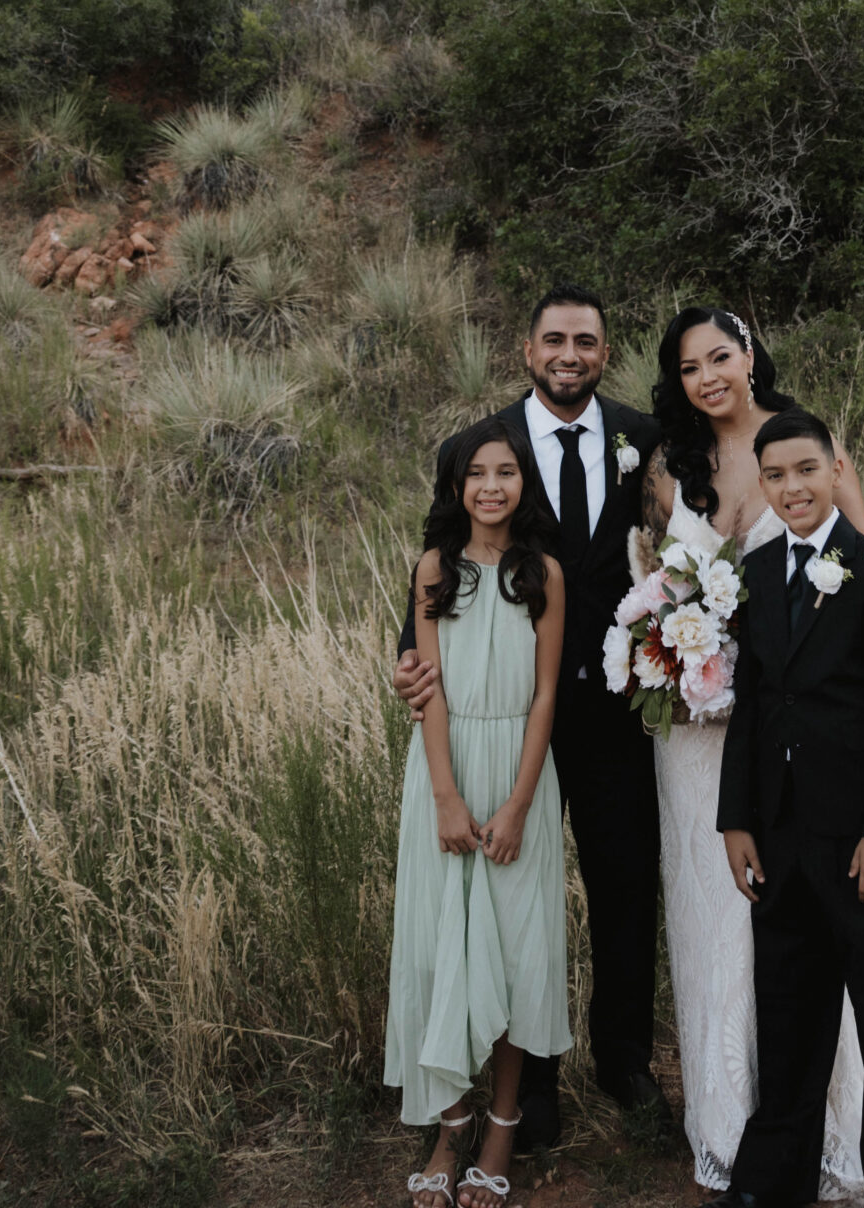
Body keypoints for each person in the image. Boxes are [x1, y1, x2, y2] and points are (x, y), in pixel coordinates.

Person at [638, 308, 864, 1199]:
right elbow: (655, 584)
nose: (707, 375)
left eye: (720, 354)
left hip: (815, 762)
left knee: (817, 939)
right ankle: (734, 1127)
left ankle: (844, 1131)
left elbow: (861, 573)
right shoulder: (664, 468)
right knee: (722, 929)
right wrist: (669, 655)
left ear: (749, 354)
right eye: (688, 366)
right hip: (701, 742)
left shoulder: (806, 450)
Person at [395, 287, 665, 1152]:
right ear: (526, 348)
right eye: (555, 339)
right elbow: (441, 565)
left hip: (618, 713)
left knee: (624, 892)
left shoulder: (641, 439)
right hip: (509, 723)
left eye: (586, 340)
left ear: (604, 349)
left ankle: (623, 1063)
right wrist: (409, 656)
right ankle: (532, 1084)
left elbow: (684, 549)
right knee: (516, 903)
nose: (570, 354)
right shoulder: (481, 447)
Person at [718, 410, 864, 1208]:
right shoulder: (756, 570)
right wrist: (736, 819)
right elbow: (752, 703)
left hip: (858, 845)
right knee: (786, 1015)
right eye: (775, 475)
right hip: (779, 839)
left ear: (835, 469)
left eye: (805, 471)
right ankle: (769, 1184)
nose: (791, 488)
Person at [384, 415, 569, 1207]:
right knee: (438, 948)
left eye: (506, 472)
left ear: (523, 484)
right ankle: (449, 1121)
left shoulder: (545, 575)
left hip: (520, 774)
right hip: (445, 769)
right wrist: (447, 795)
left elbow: (545, 695)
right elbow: (426, 689)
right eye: (475, 475)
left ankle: (501, 1124)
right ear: (455, 487)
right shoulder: (434, 567)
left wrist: (521, 803)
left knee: (515, 952)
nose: (491, 487)